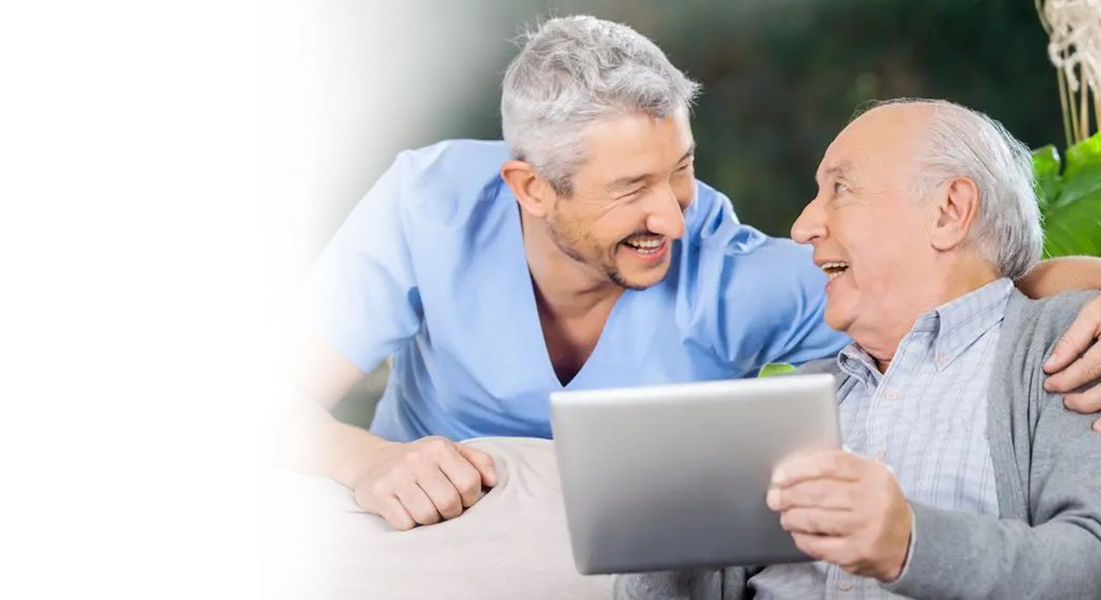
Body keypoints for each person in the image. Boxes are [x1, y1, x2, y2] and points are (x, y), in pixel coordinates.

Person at [277, 16, 1101, 532]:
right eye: (631, 189)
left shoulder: (730, 277)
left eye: (682, 171)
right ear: (531, 189)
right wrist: (369, 464)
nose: (674, 218)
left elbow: (981, 284)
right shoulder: (429, 207)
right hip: (422, 531)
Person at [615, 99, 1101, 600]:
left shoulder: (1073, 344)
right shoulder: (799, 396)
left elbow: (1090, 562)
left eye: (840, 190)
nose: (802, 227)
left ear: (949, 212)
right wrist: (659, 536)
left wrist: (910, 544)